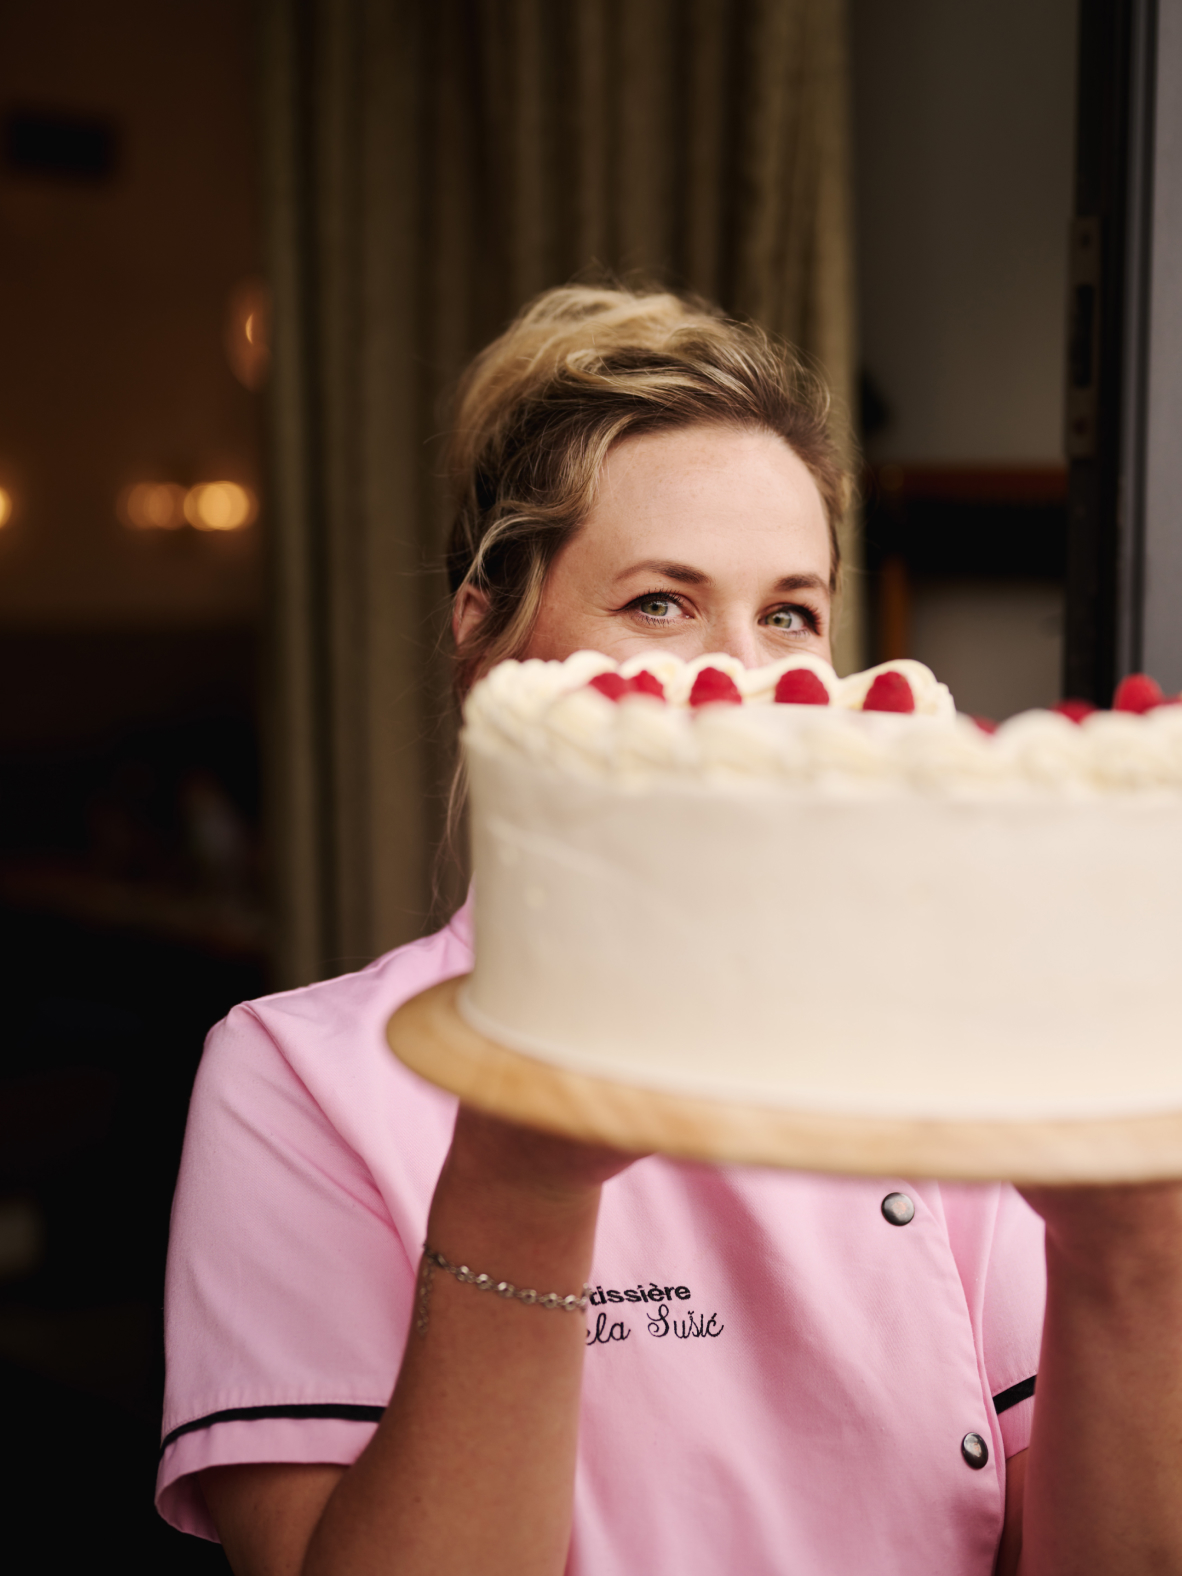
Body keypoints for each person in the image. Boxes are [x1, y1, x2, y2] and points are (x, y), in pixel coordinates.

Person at [158, 285, 1182, 1576]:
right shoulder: (298, 1076)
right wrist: (519, 1185)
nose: (744, 686)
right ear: (483, 635)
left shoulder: (946, 1075)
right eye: (659, 602)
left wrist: (1130, 1253)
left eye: (790, 613)